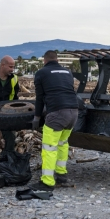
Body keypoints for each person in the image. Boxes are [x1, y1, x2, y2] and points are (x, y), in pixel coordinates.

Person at [29, 50, 79, 191]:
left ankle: (47, 182)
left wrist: (37, 117)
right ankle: (62, 176)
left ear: (44, 60)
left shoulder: (41, 73)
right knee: (62, 143)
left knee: (49, 148)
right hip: (74, 112)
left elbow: (40, 98)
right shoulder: (67, 72)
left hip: (57, 113)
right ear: (57, 59)